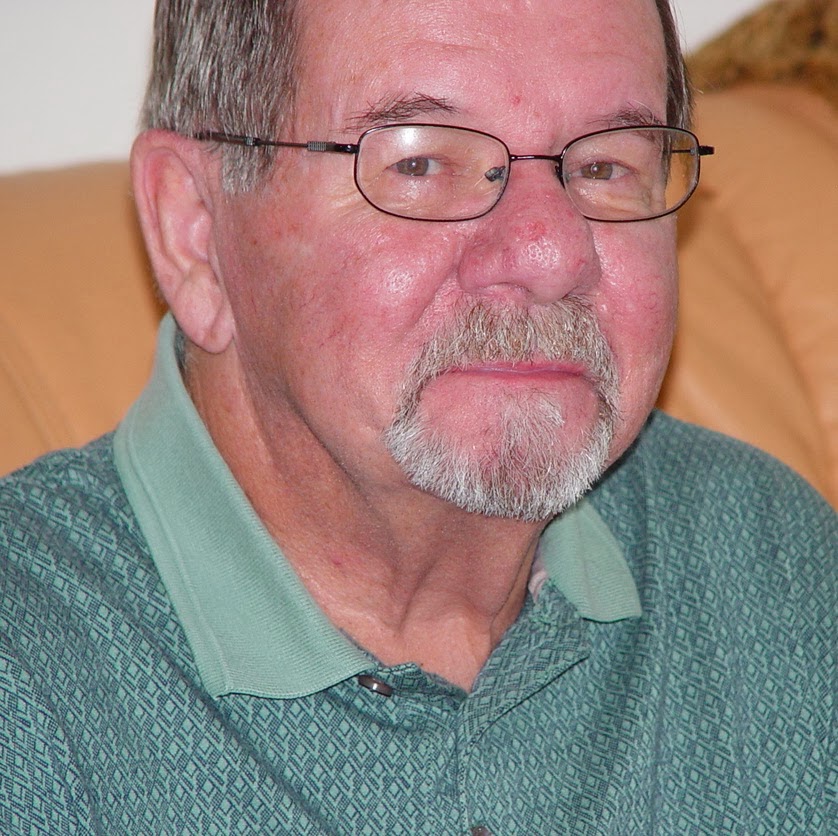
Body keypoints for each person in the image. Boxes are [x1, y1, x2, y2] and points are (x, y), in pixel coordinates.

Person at [0, 0, 834, 832]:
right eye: (422, 163)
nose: (551, 255)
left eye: (606, 166)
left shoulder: (775, 573)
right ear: (194, 232)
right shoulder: (27, 689)